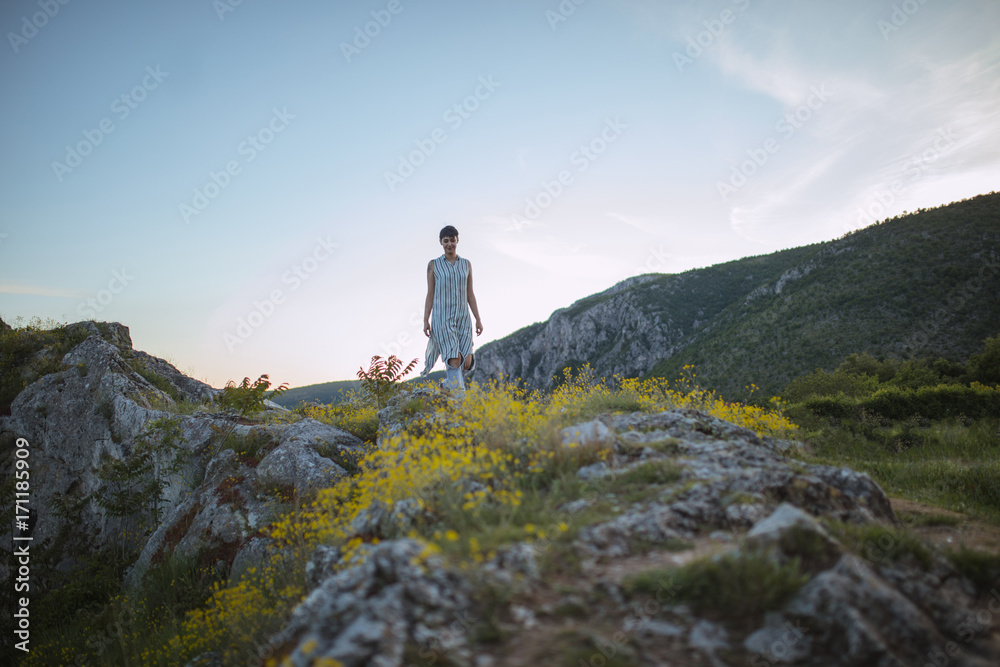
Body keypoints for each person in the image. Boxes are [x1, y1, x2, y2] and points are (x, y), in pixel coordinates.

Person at [422, 225, 483, 391]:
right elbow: (430, 294)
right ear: (441, 242)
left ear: (458, 240)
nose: (449, 244)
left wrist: (478, 319)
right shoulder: (434, 265)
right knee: (454, 359)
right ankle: (459, 400)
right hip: (442, 318)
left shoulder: (466, 265)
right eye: (446, 241)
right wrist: (426, 319)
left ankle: (447, 384)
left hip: (463, 318)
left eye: (452, 240)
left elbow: (470, 293)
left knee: (467, 362)